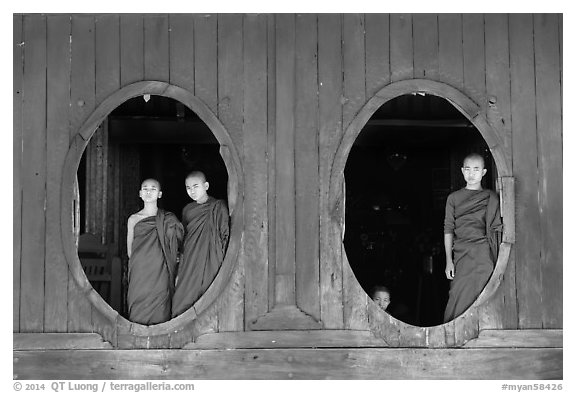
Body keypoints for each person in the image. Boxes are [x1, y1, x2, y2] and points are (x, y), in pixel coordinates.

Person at [443, 153, 502, 322]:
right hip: (461, 253)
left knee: (484, 294)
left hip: (484, 254)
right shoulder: (453, 198)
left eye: (476, 169)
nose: (471, 174)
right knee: (458, 294)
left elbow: (496, 228)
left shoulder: (491, 198)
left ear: (483, 172)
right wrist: (449, 261)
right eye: (467, 169)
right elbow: (448, 229)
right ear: (462, 171)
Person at [172, 171, 230, 318]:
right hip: (190, 259)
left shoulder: (218, 206)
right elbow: (184, 236)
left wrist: (219, 258)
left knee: (207, 296)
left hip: (211, 257)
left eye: (195, 186)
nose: (192, 191)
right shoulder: (187, 210)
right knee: (181, 299)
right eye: (188, 187)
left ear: (206, 186)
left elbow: (224, 235)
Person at [126, 178, 184, 325]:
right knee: (137, 309)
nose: (148, 191)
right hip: (140, 271)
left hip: (161, 270)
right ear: (140, 193)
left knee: (160, 310)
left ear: (159, 194)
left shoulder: (168, 219)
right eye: (145, 188)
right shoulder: (133, 219)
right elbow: (130, 249)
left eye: (153, 189)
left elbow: (178, 243)